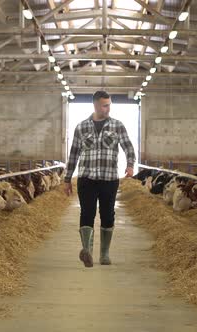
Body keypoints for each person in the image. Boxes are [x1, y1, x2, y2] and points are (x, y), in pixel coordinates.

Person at [64, 90, 136, 268]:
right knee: (86, 213)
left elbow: (128, 147)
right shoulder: (81, 127)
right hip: (86, 178)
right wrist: (67, 179)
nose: (108, 108)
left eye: (109, 104)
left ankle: (104, 254)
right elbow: (73, 154)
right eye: (105, 105)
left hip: (109, 179)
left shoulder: (117, 126)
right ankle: (87, 251)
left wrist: (130, 164)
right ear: (95, 105)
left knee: (107, 214)